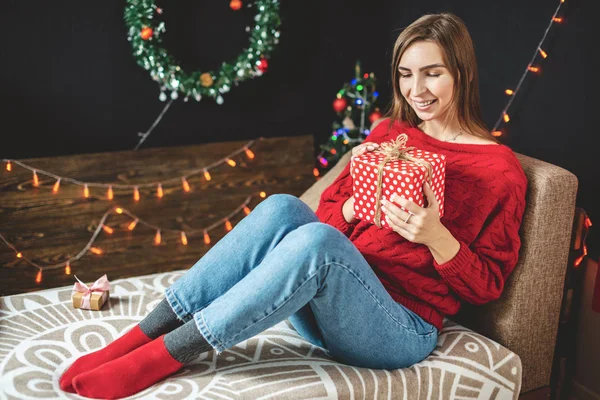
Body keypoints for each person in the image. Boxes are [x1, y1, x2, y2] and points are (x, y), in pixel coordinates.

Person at [58, 12, 527, 399]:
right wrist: (354, 209)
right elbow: (324, 218)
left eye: (433, 73)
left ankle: (163, 356)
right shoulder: (390, 134)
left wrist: (436, 237)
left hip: (398, 330)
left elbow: (487, 286)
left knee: (318, 242)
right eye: (406, 74)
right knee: (284, 208)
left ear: (461, 74)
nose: (416, 90)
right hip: (325, 307)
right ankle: (142, 335)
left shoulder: (499, 171)